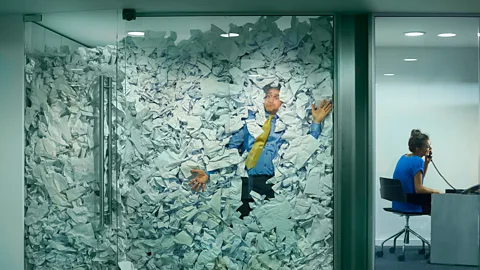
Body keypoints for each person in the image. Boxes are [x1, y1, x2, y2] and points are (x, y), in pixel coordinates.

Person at [188, 84, 332, 217]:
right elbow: (229, 152)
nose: (271, 100)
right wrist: (209, 172)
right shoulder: (248, 124)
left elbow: (303, 147)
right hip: (246, 182)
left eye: (276, 97)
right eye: (268, 96)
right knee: (242, 222)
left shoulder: (288, 128)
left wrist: (316, 122)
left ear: (284, 102)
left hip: (274, 184)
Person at [392, 129, 441, 215]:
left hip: (398, 203)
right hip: (409, 204)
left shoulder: (403, 157)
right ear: (419, 148)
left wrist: (426, 163)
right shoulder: (418, 161)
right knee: (440, 206)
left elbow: (418, 181)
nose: (430, 149)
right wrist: (436, 191)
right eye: (427, 146)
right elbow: (418, 189)